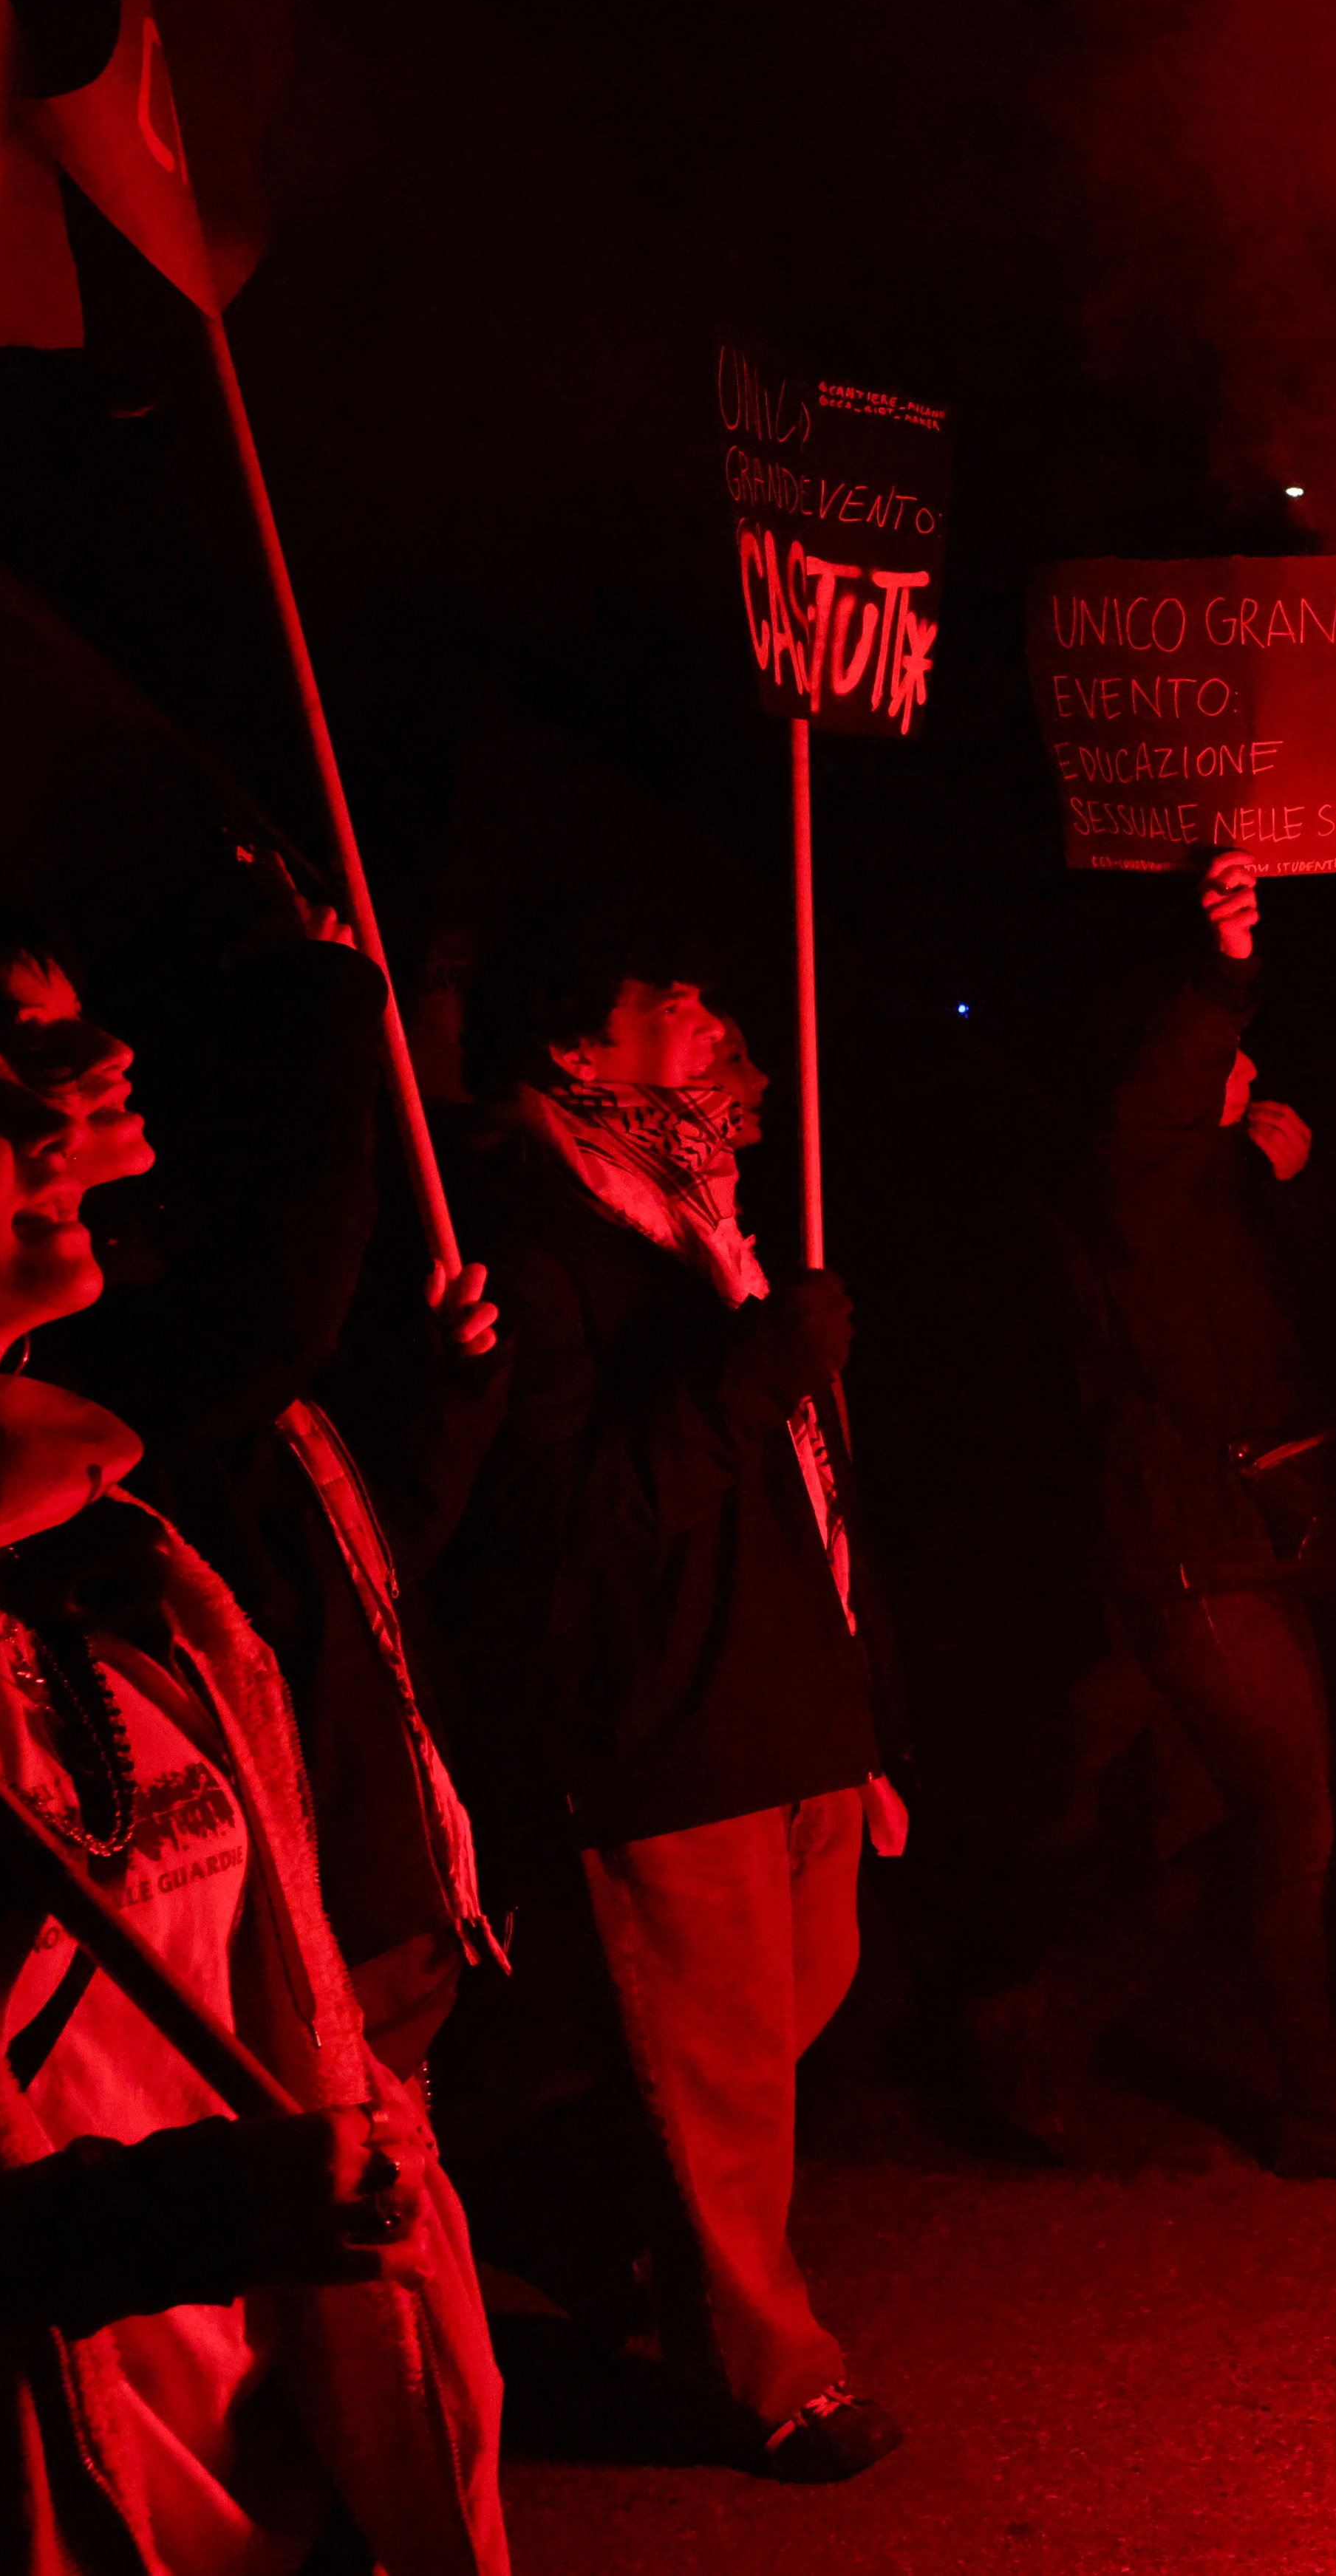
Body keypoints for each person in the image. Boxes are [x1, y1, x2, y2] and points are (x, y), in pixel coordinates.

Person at [0, 900, 505, 2574]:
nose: (54, 1119)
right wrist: (126, 2231)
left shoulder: (125, 1569)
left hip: (284, 2470)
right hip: (8, 2500)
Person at [430, 904, 907, 2481]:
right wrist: (745, 1373)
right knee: (713, 2073)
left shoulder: (707, 1207)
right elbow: (573, 1525)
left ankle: (543, 2202)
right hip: (661, 1713)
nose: (708, 1007)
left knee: (782, 2019)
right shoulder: (527, 1234)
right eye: (664, 989)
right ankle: (771, 2370)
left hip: (788, 1692)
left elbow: (811, 1493)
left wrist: (866, 1711)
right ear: (575, 1047)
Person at [1029, 850, 1336, 2191]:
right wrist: (1225, 956)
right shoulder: (1135, 1170)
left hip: (1232, 1535)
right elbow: (1172, 1079)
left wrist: (1280, 1175)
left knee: (1211, 1817)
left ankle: (1024, 2026)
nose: (1245, 1066)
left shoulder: (1202, 1191)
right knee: (1294, 1810)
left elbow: (1302, 1313)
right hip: (1186, 1543)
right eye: (1222, 1053)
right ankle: (1315, 2104)